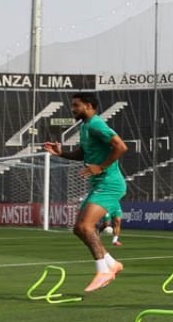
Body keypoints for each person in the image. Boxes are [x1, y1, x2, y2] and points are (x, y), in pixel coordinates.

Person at [42, 92, 126, 292]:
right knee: (79, 229)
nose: (72, 109)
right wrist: (62, 153)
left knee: (86, 226)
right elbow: (83, 153)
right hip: (100, 184)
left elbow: (121, 147)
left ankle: (103, 271)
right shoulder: (85, 127)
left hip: (109, 183)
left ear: (89, 106)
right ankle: (112, 263)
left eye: (76, 105)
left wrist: (102, 166)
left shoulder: (96, 124)